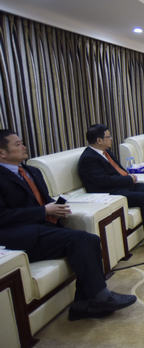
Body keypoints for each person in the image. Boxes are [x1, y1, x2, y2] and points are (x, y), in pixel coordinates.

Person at [0, 129, 136, 321]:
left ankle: (83, 304)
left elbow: (44, 199)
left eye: (22, 142)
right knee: (81, 240)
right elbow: (3, 216)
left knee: (90, 239)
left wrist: (56, 207)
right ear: (2, 152)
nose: (23, 147)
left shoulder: (32, 171)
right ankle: (99, 298)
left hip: (44, 226)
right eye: (17, 144)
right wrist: (43, 211)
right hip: (18, 234)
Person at [78, 124, 144, 249]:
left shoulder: (105, 152)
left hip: (123, 185)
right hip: (110, 192)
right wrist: (128, 179)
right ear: (99, 140)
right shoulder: (88, 158)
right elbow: (103, 181)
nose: (112, 139)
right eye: (108, 136)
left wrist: (129, 176)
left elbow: (117, 169)